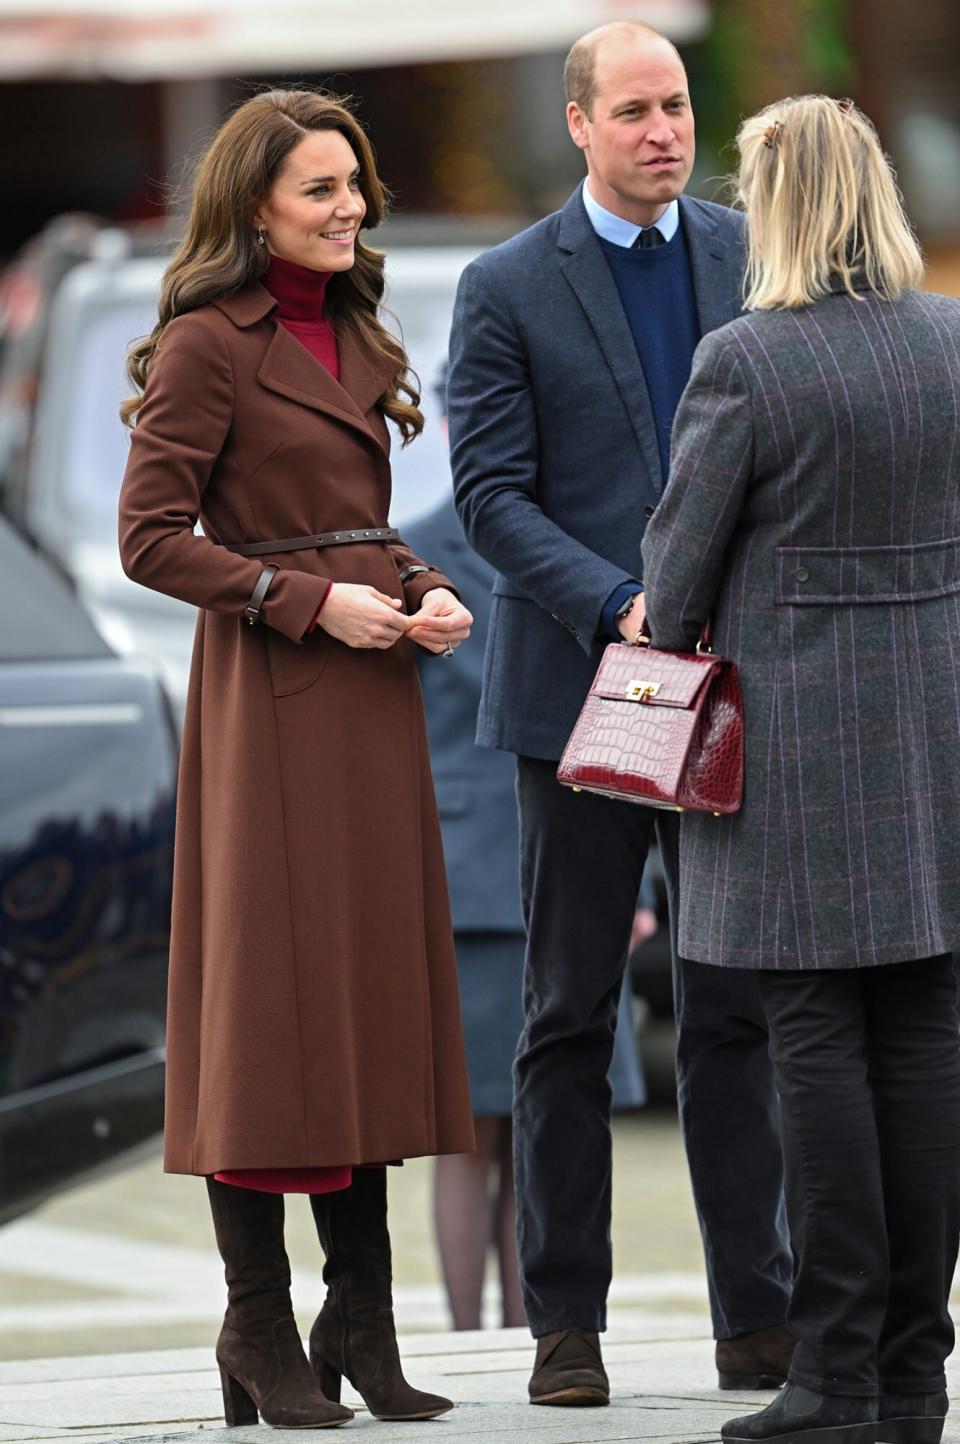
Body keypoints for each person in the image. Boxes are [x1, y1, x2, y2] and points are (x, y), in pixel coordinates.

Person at [117, 88, 475, 1430]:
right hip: (269, 702)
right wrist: (300, 602)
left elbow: (355, 525)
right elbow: (149, 538)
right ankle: (257, 1325)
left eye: (355, 186)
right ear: (253, 203)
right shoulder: (208, 344)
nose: (349, 210)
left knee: (364, 1001)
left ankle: (362, 1329)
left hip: (371, 700)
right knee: (274, 1018)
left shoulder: (362, 330)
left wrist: (424, 583)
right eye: (320, 190)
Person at [448, 19, 793, 1406]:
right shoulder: (507, 284)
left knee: (734, 1011)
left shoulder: (746, 258)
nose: (666, 132)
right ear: (580, 123)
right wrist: (615, 603)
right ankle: (566, 1326)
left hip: (727, 689)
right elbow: (492, 496)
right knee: (568, 1012)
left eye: (678, 107)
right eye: (636, 110)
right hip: (581, 698)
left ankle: (755, 1317)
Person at [642, 94, 960, 1444]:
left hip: (799, 759)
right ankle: (913, 1374)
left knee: (814, 1045)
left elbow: (669, 593)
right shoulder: (953, 341)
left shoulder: (746, 364)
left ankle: (831, 1378)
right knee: (928, 1044)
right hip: (936, 737)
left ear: (775, 204)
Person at [406, 367, 646, 1332]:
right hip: (492, 875)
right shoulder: (421, 550)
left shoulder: (421, 545)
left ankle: (516, 1333)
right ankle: (492, 1336)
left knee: (510, 1129)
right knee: (491, 1133)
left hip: (499, 866)